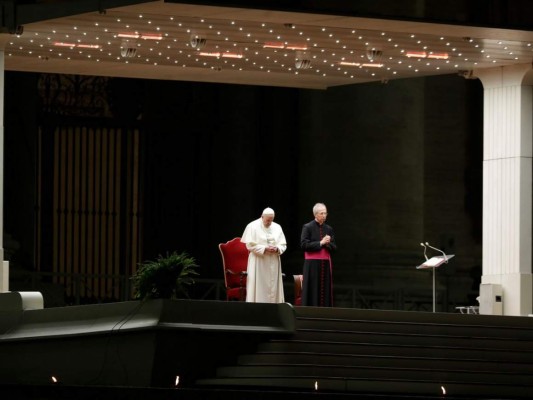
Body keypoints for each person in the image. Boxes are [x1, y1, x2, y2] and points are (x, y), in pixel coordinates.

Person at [241, 207, 287, 303]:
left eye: (271, 220)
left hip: (273, 261)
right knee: (259, 288)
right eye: (267, 220)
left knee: (273, 288)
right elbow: (249, 245)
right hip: (259, 261)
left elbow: (283, 244)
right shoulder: (252, 226)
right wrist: (264, 248)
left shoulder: (277, 227)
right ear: (262, 216)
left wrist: (277, 248)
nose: (269, 222)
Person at [300, 202, 336, 307]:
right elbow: (304, 245)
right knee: (312, 289)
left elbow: (334, 248)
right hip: (312, 265)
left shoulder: (329, 229)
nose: (324, 216)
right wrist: (321, 243)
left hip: (325, 265)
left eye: (325, 213)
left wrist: (328, 243)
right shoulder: (307, 227)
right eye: (321, 213)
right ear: (315, 214)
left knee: (324, 291)